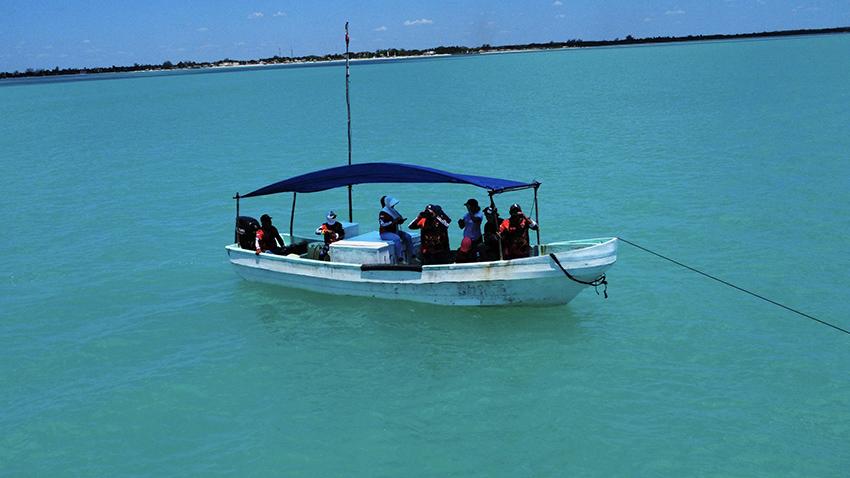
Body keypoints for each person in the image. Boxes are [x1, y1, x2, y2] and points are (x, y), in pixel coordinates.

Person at [379, 195, 414, 263]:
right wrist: (394, 222)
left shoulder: (393, 211)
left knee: (408, 236)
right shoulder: (383, 213)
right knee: (397, 239)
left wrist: (401, 221)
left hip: (395, 231)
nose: (393, 205)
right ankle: (400, 258)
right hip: (385, 233)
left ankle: (412, 255)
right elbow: (383, 224)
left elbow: (398, 218)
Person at [455, 198, 484, 263]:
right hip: (467, 240)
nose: (468, 208)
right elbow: (462, 227)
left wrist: (469, 211)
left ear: (473, 206)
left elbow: (475, 220)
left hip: (476, 240)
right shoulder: (467, 215)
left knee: (476, 256)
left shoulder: (479, 214)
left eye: (469, 206)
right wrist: (460, 223)